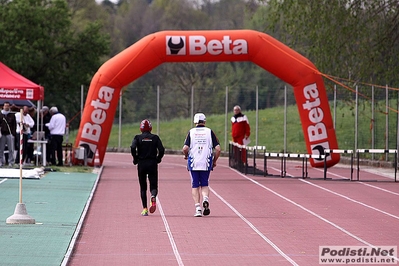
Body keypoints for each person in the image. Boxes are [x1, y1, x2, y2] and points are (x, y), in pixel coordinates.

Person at [182, 113, 221, 217]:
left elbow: (185, 148)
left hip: (194, 162)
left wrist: (186, 155)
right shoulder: (209, 132)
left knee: (195, 185)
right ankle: (205, 199)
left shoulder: (191, 132)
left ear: (195, 122)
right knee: (204, 184)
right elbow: (218, 149)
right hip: (206, 161)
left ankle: (198, 208)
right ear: (205, 121)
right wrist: (214, 160)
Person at [130, 119, 165, 216]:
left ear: (141, 128)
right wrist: (158, 158)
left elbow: (132, 147)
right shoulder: (155, 138)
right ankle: (153, 196)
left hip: (142, 163)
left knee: (143, 187)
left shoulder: (137, 138)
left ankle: (145, 208)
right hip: (152, 163)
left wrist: (135, 158)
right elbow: (161, 149)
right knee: (153, 185)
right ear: (150, 128)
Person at [0, 101, 17, 167]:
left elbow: (14, 125)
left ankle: (11, 162)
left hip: (10, 134)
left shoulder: (12, 115)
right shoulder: (1, 115)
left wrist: (13, 134)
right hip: (2, 134)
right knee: (1, 149)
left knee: (11, 149)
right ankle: (1, 162)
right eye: (5, 106)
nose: (6, 107)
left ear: (9, 107)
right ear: (3, 107)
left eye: (7, 106)